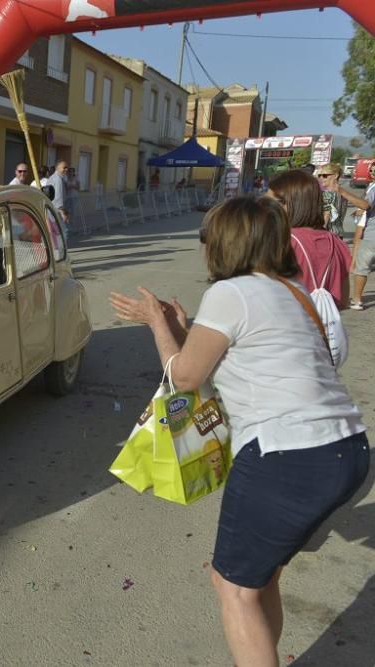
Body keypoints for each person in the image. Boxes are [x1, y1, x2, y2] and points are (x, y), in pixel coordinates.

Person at [109, 196, 369, 667]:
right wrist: (181, 328)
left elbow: (184, 378)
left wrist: (155, 325)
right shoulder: (290, 290)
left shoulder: (231, 293)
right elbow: (221, 364)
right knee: (260, 579)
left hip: (287, 458)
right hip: (344, 451)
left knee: (232, 585)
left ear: (225, 244)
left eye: (207, 239)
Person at [266, 169, 352, 309]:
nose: (265, 209)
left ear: (292, 203)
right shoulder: (337, 243)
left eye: (272, 202)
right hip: (321, 327)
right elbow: (343, 300)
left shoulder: (280, 241)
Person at [348, 178, 375, 310]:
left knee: (362, 268)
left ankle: (357, 300)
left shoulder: (373, 188)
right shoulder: (371, 186)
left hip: (371, 234)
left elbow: (366, 205)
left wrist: (340, 190)